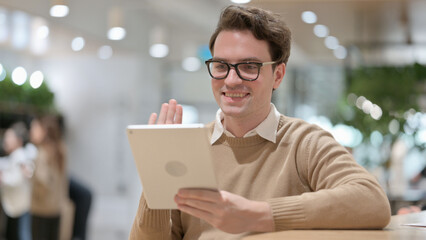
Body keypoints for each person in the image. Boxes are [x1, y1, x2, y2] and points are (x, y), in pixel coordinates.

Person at [129, 5, 391, 239]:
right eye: (221, 65)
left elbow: (372, 201)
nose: (231, 80)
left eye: (249, 67)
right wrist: (156, 174)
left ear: (278, 75)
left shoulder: (304, 142)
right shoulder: (187, 147)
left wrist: (258, 214)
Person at [29, 115, 68, 240]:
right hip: (56, 209)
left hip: (41, 210)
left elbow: (42, 181)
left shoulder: (42, 153)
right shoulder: (60, 149)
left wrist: (31, 176)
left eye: (34, 128)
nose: (31, 131)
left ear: (44, 131)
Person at [0, 122, 35, 240]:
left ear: (19, 141)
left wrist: (3, 178)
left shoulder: (21, 156)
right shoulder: (14, 156)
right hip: (14, 207)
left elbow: (17, 178)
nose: (6, 140)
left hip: (20, 208)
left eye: (9, 137)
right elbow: (5, 163)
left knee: (23, 235)